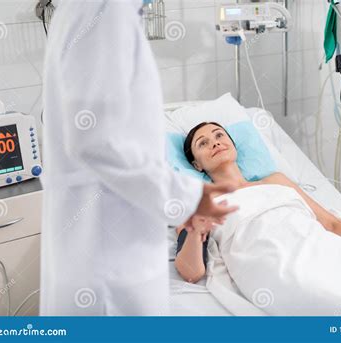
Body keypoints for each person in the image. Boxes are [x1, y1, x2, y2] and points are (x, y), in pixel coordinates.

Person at [40, 1, 236, 315]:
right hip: (108, 265)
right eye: (203, 141)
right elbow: (95, 139)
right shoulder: (104, 8)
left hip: (111, 247)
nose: (214, 143)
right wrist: (187, 197)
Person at [175, 122, 341, 283]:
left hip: (320, 247)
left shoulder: (277, 180)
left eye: (219, 135)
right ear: (197, 165)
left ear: (233, 145)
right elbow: (192, 272)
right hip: (277, 268)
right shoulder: (202, 205)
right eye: (203, 143)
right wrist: (196, 231)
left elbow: (331, 224)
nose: (215, 142)